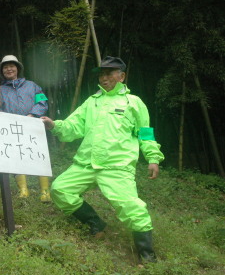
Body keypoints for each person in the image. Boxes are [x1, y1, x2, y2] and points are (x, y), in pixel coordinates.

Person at [41, 56, 164, 263]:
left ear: (121, 76)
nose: (104, 78)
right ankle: (95, 223)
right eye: (102, 74)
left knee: (132, 208)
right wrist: (55, 125)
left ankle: (147, 256)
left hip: (117, 166)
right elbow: (74, 126)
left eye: (109, 73)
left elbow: (145, 133)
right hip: (86, 163)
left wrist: (153, 157)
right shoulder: (92, 102)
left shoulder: (133, 103)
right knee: (60, 189)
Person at [0, 55, 51, 202]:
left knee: (39, 156)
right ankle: (23, 190)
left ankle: (45, 192)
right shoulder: (0, 89)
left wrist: (33, 115)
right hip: (11, 128)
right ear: (2, 71)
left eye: (12, 66)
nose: (9, 69)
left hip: (33, 124)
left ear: (18, 68)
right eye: (5, 67)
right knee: (16, 156)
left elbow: (42, 102)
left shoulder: (32, 85)